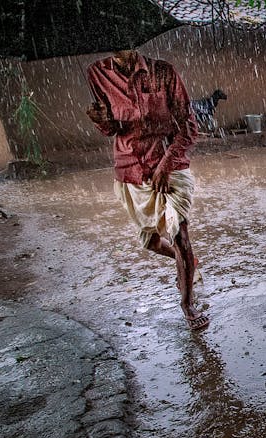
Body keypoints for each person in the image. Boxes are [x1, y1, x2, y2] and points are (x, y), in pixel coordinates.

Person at [85, 49, 208, 331]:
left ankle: (187, 302)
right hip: (129, 168)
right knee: (150, 242)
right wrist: (101, 120)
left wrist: (165, 164)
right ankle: (186, 261)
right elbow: (114, 129)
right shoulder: (97, 73)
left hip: (169, 164)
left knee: (180, 233)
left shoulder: (163, 72)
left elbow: (188, 126)